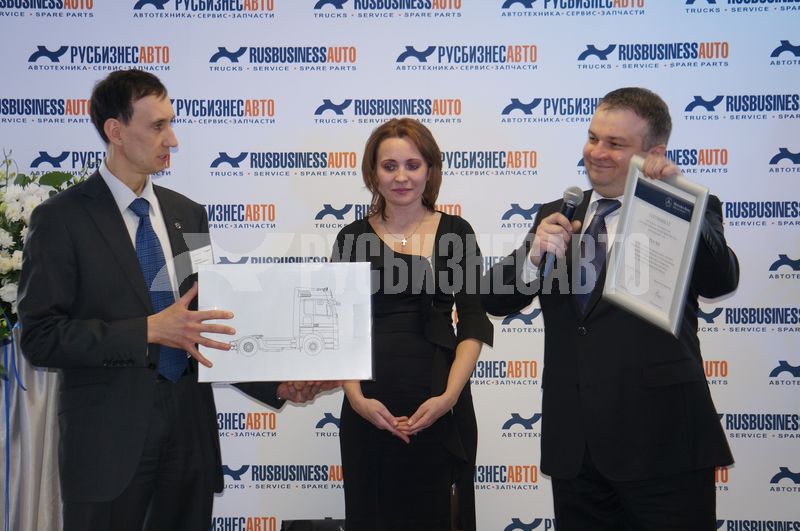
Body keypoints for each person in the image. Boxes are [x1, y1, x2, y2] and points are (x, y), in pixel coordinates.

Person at [16, 69, 330, 531]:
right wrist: (146, 331)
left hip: (189, 436)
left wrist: (276, 384)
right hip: (107, 445)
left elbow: (203, 321)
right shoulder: (61, 219)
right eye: (158, 126)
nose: (173, 139)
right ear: (115, 131)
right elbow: (40, 338)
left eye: (171, 123)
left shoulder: (188, 214)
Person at [482, 87, 739, 530]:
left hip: (664, 449)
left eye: (615, 144)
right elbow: (495, 298)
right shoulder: (557, 213)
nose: (596, 152)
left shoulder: (682, 207)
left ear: (653, 154)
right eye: (592, 138)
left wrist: (678, 196)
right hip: (576, 453)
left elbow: (722, 279)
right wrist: (533, 256)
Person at [331, 118, 493, 531]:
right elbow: (340, 328)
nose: (401, 177)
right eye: (389, 166)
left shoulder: (457, 232)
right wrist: (357, 400)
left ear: (430, 170)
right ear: (372, 173)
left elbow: (473, 320)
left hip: (441, 404)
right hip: (370, 408)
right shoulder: (350, 238)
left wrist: (448, 398)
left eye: (413, 165)